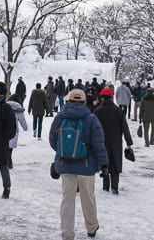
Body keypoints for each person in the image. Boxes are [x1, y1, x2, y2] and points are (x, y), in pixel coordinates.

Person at [48, 89, 108, 240]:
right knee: (88, 198)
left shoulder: (60, 117)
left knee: (67, 199)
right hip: (86, 166)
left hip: (65, 166)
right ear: (84, 102)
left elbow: (52, 140)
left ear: (67, 101)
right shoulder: (91, 119)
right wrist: (103, 164)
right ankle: (91, 227)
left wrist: (64, 153)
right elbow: (99, 144)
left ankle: (67, 233)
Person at [93, 87, 133, 193]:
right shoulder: (118, 111)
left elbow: (92, 127)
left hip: (102, 140)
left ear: (102, 98)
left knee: (105, 161)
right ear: (111, 98)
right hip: (116, 140)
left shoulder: (97, 111)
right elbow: (124, 126)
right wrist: (129, 141)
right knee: (115, 161)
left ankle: (106, 186)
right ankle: (115, 186)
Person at [7, 94, 29, 168]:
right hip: (13, 130)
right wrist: (25, 128)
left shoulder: (4, 105)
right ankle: (9, 160)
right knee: (10, 148)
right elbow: (23, 121)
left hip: (3, 129)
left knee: (5, 146)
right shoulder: (18, 108)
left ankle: (6, 160)